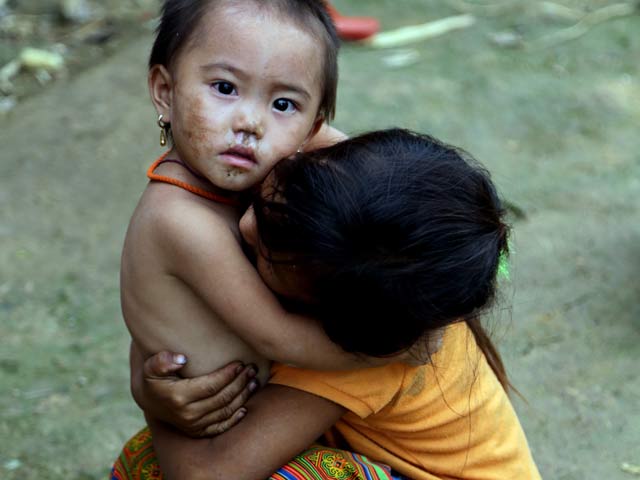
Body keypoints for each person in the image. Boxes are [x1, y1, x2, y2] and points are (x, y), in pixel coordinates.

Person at [116, 129, 542, 479]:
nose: (247, 225)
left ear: (333, 317)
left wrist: (153, 397)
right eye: (276, 199)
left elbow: (203, 474)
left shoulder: (364, 355)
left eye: (273, 258)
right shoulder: (353, 204)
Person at [121, 0, 392, 431]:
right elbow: (277, 335)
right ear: (165, 92)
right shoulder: (180, 220)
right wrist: (396, 349)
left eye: (283, 104)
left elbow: (378, 179)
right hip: (221, 438)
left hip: (268, 407)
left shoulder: (276, 155)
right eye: (225, 88)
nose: (250, 122)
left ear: (312, 125)